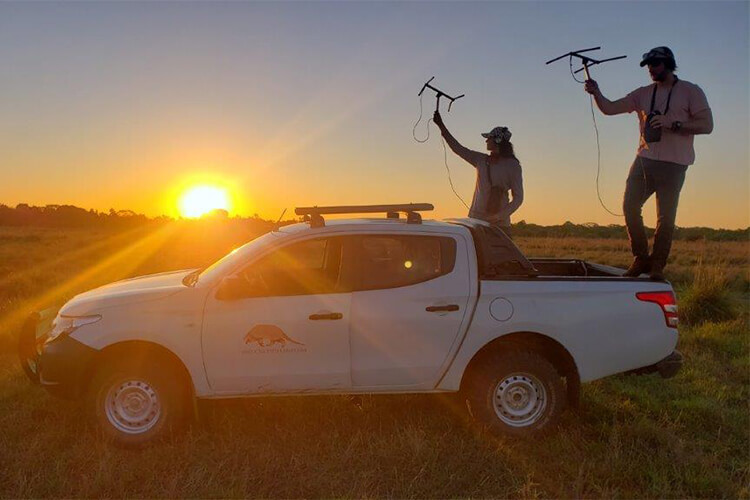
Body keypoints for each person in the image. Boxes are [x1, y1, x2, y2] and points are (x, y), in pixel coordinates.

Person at [584, 46, 713, 280]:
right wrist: (597, 94)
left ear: (668, 63)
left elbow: (707, 125)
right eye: (648, 66)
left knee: (665, 217)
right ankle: (641, 258)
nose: (651, 70)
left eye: (655, 65)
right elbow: (610, 108)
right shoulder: (643, 93)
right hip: (644, 160)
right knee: (629, 206)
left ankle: (657, 267)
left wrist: (673, 124)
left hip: (675, 164)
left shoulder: (690, 91)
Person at [432, 110, 523, 237]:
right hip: (478, 221)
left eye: (489, 138)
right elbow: (458, 148)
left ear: (497, 140)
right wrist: (441, 126)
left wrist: (498, 216)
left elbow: (518, 197)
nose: (486, 141)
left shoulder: (512, 165)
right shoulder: (482, 159)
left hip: (497, 225)